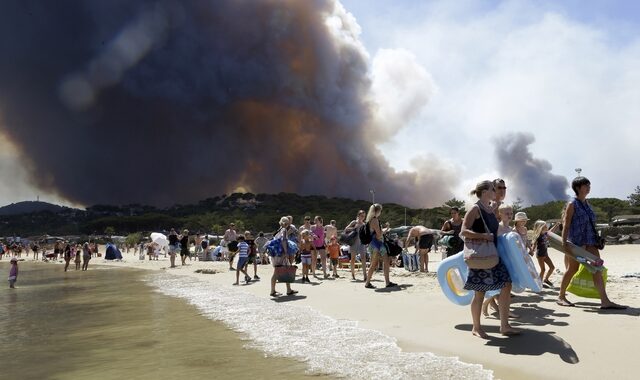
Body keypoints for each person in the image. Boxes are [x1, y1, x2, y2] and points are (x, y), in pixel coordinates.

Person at [557, 177, 626, 309]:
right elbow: (566, 224)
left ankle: (604, 301)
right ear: (578, 188)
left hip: (590, 241)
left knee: (597, 268)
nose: (589, 187)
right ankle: (561, 296)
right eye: (586, 185)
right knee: (572, 269)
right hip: (577, 242)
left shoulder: (587, 203)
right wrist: (564, 242)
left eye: (589, 184)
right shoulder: (572, 204)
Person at [461, 180, 518, 338]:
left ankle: (504, 326)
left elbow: (497, 203)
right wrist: (482, 236)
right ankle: (476, 327)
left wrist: (500, 193)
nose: (496, 191)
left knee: (507, 284)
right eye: (493, 189)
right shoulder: (475, 208)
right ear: (485, 191)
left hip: (492, 255)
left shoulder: (489, 208)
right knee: (479, 293)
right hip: (480, 256)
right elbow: (463, 231)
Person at [482, 203, 516, 318]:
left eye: (511, 213)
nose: (509, 215)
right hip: (498, 260)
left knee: (504, 287)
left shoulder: (511, 229)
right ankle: (496, 308)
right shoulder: (497, 227)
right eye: (507, 213)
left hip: (509, 260)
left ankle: (489, 305)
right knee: (502, 287)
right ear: (500, 214)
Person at [364, 204, 397, 289]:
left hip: (373, 244)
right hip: (377, 244)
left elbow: (376, 232)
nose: (380, 212)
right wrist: (384, 231)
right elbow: (378, 235)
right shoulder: (375, 220)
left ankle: (368, 283)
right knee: (384, 262)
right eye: (380, 211)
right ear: (376, 211)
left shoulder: (369, 220)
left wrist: (385, 229)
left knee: (374, 264)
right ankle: (387, 282)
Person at [270, 216, 298, 297]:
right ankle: (273, 291)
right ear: (287, 223)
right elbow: (283, 240)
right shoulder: (284, 230)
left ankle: (288, 289)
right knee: (280, 271)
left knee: (284, 270)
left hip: (275, 254)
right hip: (281, 254)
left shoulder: (278, 231)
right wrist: (286, 252)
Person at [344, 210, 367, 281]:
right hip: (353, 242)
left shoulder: (364, 224)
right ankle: (353, 274)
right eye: (361, 216)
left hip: (361, 243)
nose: (362, 217)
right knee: (353, 259)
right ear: (358, 215)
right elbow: (346, 229)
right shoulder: (354, 222)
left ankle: (365, 275)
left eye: (364, 216)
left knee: (363, 258)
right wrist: (354, 228)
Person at [531, 220, 555, 287]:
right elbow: (534, 245)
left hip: (545, 254)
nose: (546, 227)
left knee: (552, 267)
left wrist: (556, 225)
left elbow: (550, 231)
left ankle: (546, 279)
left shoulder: (545, 234)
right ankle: (539, 283)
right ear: (540, 227)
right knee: (543, 269)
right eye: (545, 226)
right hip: (540, 255)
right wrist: (532, 251)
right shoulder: (538, 236)